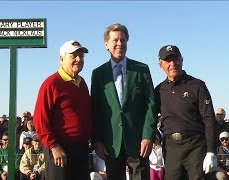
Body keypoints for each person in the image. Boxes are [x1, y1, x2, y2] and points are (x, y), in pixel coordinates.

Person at [91, 23, 156, 180]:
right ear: (106, 44)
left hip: (138, 143)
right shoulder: (98, 74)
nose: (120, 43)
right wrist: (97, 140)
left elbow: (151, 105)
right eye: (115, 40)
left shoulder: (141, 69)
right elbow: (95, 110)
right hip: (111, 144)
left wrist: (148, 136)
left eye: (123, 40)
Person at [154, 45, 217, 179]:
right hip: (170, 148)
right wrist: (155, 138)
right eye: (167, 61)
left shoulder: (197, 85)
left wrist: (211, 151)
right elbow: (150, 118)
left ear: (181, 60)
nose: (172, 64)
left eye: (175, 59)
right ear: (161, 66)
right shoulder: (159, 90)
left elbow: (209, 118)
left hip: (195, 145)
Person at [33, 39, 92, 180]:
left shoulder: (82, 83)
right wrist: (54, 146)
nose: (79, 59)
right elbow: (40, 121)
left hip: (81, 149)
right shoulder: (51, 84)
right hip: (59, 150)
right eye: (73, 56)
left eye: (81, 56)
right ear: (61, 59)